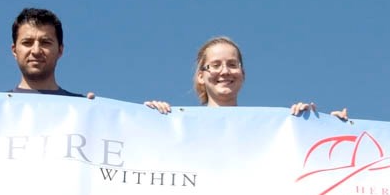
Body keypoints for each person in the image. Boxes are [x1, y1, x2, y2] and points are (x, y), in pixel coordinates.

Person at [145, 36, 345, 117]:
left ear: (243, 74)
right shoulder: (176, 124)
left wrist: (329, 126)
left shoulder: (271, 128)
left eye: (232, 65)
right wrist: (150, 118)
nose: (224, 71)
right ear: (201, 76)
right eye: (215, 65)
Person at [0, 8, 92, 98]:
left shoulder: (82, 108)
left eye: (45, 42)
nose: (36, 51)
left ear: (60, 50)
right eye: (27, 42)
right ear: (14, 50)